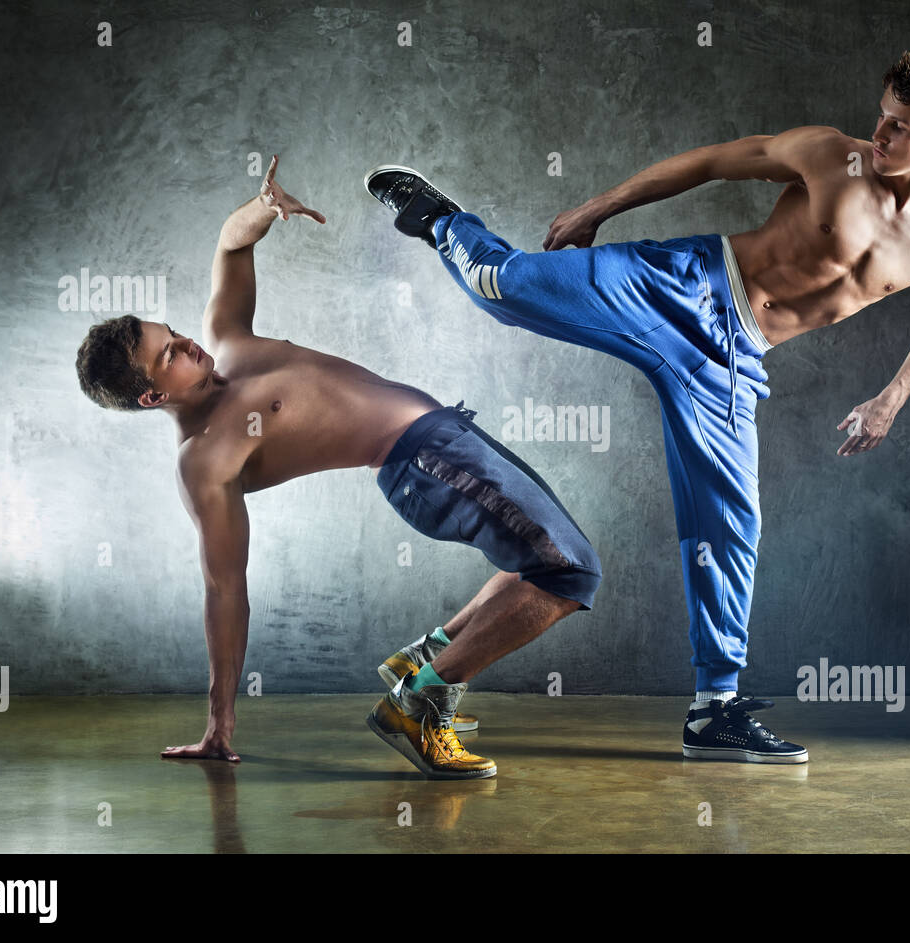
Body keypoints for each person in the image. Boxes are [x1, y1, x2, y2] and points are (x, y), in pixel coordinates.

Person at [366, 44, 910, 764]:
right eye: (880, 116)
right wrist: (601, 205)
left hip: (734, 363)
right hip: (687, 285)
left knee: (730, 525)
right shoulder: (830, 155)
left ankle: (714, 710)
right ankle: (441, 219)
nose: (877, 134)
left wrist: (893, 395)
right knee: (507, 287)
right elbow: (713, 161)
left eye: (898, 127)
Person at [74, 156, 602, 780]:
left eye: (176, 333)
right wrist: (219, 722)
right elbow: (224, 590)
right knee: (569, 572)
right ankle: (421, 702)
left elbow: (230, 243)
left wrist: (263, 208)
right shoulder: (205, 459)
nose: (189, 345)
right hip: (425, 463)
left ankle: (424, 661)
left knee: (540, 563)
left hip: (444, 439)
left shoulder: (224, 340)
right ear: (152, 397)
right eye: (170, 356)